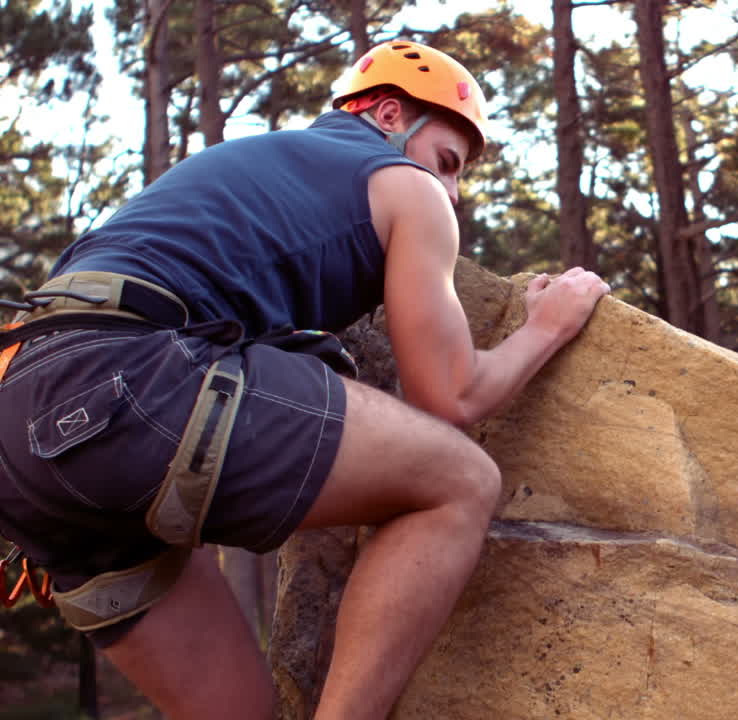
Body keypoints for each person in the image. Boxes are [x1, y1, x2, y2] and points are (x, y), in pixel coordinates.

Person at [0, 39, 608, 719]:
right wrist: (548, 325)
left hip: (22, 436)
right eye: (447, 162)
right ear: (387, 113)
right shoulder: (401, 186)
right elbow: (452, 393)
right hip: (128, 380)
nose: (452, 193)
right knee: (461, 482)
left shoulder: (254, 171)